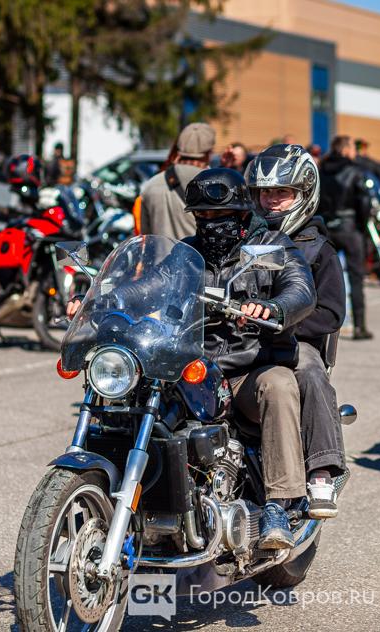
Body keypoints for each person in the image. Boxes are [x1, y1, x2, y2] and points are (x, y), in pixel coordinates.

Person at [67, 167, 317, 548]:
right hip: (194, 365)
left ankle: (280, 505)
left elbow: (300, 288)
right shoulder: (187, 255)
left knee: (279, 385)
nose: (210, 223)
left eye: (220, 215)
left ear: (241, 215)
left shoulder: (272, 246)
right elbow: (148, 286)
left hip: (249, 366)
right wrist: (102, 299)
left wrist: (274, 307)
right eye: (202, 216)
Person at [246, 143, 347, 519]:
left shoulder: (318, 248)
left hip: (295, 341)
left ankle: (323, 470)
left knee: (309, 370)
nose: (271, 201)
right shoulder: (243, 239)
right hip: (241, 339)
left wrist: (280, 320)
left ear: (304, 194)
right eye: (265, 193)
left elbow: (331, 313)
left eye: (282, 192)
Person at [317, 135, 373, 340]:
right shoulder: (355, 170)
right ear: (347, 149)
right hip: (349, 228)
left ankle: (321, 326)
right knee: (356, 278)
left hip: (326, 227)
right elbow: (364, 202)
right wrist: (362, 226)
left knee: (322, 278)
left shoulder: (321, 170)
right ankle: (359, 327)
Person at [139, 122, 214, 240]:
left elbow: (145, 237)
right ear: (209, 153)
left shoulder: (150, 185)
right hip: (197, 253)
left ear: (178, 149)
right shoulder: (215, 185)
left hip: (161, 252)